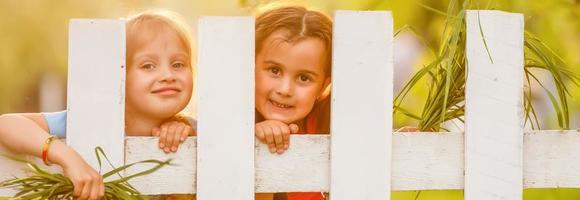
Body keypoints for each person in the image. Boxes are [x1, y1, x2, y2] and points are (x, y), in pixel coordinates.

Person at [0, 10, 195, 200]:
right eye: (148, 66)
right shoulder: (88, 121)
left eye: (178, 64)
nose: (168, 76)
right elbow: (7, 125)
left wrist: (187, 133)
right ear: (119, 77)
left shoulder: (191, 131)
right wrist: (67, 157)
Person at [253, 5, 332, 200]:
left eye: (304, 78)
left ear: (323, 86)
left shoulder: (329, 121)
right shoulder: (229, 122)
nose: (285, 90)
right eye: (274, 70)